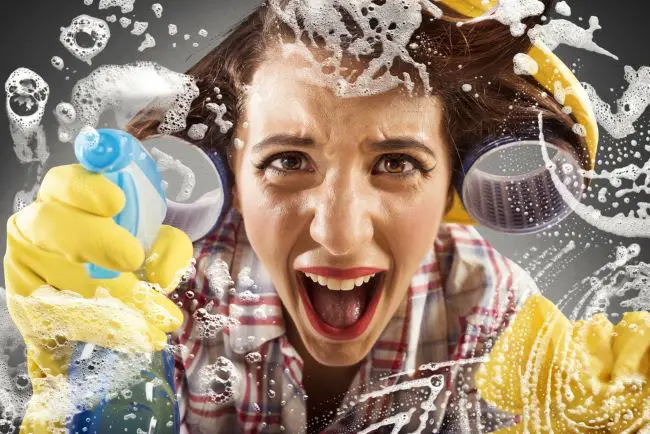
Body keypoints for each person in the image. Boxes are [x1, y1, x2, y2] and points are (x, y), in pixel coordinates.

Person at [7, 0, 648, 433]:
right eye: (288, 160)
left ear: (454, 185)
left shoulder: (485, 305)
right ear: (229, 174)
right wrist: (73, 355)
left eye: (397, 163)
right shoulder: (161, 294)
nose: (338, 235)